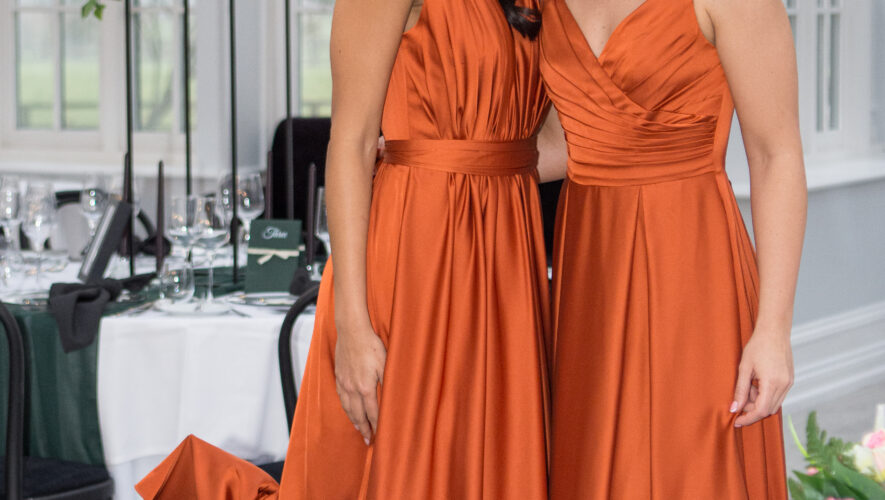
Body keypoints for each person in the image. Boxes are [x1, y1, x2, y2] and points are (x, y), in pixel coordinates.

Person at [136, 0, 560, 498]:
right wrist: (353, 329)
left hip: (505, 253)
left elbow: (556, 144)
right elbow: (352, 144)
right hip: (415, 256)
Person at [539, 0, 806, 497]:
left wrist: (774, 330)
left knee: (691, 462)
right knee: (593, 458)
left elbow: (777, 155)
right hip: (590, 276)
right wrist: (439, 155)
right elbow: (565, 142)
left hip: (691, 267)